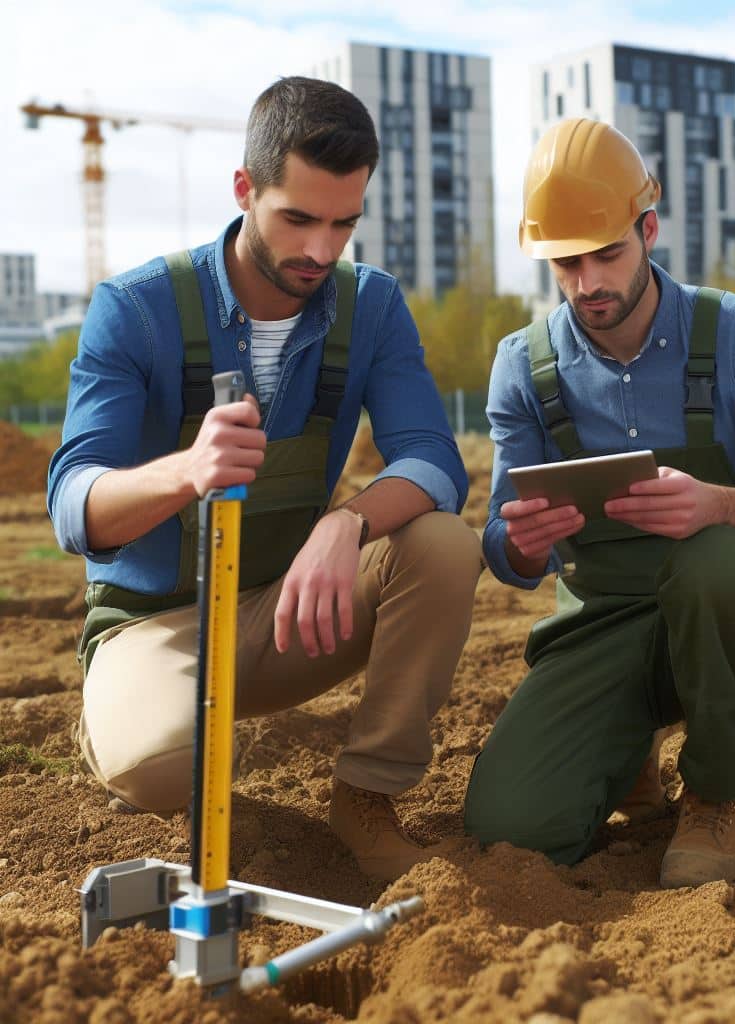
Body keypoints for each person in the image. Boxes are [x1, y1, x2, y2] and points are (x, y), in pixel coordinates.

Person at [48, 76, 483, 883]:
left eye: (344, 223)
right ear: (245, 189)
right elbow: (75, 507)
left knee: (444, 545)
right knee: (159, 769)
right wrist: (187, 470)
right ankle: (119, 718)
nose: (321, 250)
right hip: (155, 625)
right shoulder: (136, 309)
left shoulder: (372, 306)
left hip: (289, 611)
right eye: (298, 219)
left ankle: (365, 796)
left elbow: (435, 460)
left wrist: (344, 524)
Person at [463, 118, 735, 888]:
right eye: (566, 264)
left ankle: (717, 787)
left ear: (649, 228)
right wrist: (521, 542)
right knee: (511, 830)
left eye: (607, 254)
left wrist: (723, 506)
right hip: (599, 625)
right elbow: (504, 556)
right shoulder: (523, 368)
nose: (588, 284)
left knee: (714, 562)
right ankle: (624, 745)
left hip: (722, 620)